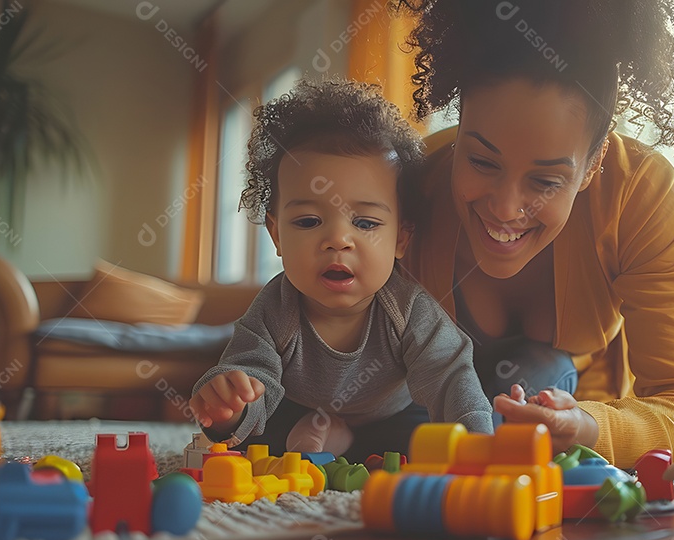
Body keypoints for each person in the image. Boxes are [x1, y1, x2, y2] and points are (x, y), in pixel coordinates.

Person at [395, 0, 674, 466]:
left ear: (593, 164)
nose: (505, 208)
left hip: (570, 426)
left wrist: (587, 427)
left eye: (545, 181)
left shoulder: (639, 195)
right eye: (481, 162)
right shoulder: (405, 187)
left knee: (542, 370)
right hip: (417, 409)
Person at [188, 79, 494, 461]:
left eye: (365, 223)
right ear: (276, 234)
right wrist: (230, 405)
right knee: (254, 441)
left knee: (424, 444)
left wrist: (478, 442)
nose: (337, 240)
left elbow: (449, 374)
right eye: (308, 221)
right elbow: (250, 372)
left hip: (391, 416)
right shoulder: (275, 309)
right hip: (299, 410)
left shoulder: (408, 308)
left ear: (401, 238)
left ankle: (341, 440)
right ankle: (326, 434)